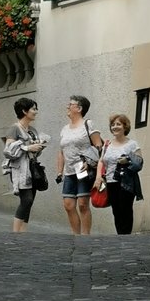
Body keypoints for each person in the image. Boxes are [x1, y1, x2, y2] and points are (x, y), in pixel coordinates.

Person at [55, 94, 102, 235]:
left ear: (79, 108)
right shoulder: (64, 129)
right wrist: (59, 172)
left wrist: (90, 163)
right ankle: (75, 236)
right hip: (69, 171)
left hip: (83, 170)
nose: (67, 106)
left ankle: (85, 236)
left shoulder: (88, 124)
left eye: (71, 104)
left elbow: (99, 146)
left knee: (82, 204)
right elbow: (61, 152)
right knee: (68, 205)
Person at [2, 97, 49, 233]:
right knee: (26, 199)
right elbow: (8, 150)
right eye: (33, 109)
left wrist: (38, 147)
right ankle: (16, 232)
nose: (36, 111)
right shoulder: (14, 129)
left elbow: (34, 152)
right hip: (19, 170)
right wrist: (27, 148)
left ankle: (23, 231)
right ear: (24, 111)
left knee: (30, 200)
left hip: (32, 168)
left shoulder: (32, 130)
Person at [94, 113, 143, 235]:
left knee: (125, 209)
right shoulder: (108, 144)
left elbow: (139, 162)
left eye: (118, 124)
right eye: (113, 125)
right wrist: (98, 177)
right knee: (116, 210)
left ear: (125, 127)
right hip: (111, 182)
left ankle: (125, 237)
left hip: (126, 182)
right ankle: (120, 236)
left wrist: (128, 160)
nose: (115, 127)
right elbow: (101, 161)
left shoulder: (132, 144)